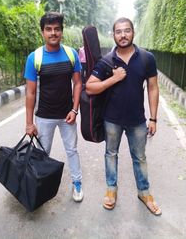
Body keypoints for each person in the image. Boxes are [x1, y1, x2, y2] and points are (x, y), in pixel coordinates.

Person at [86, 17, 161, 215]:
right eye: (118, 31)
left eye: (127, 30)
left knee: (140, 157)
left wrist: (153, 118)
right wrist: (113, 78)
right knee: (111, 154)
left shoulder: (146, 58)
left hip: (137, 120)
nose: (123, 35)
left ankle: (144, 193)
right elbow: (90, 87)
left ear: (133, 32)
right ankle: (111, 190)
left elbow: (153, 87)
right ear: (114, 35)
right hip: (112, 120)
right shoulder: (106, 61)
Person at [24, 11, 83, 202]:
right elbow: (30, 93)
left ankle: (77, 183)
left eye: (57, 29)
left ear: (61, 31)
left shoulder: (71, 54)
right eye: (48, 29)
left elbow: (78, 83)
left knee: (72, 150)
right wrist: (29, 123)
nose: (53, 33)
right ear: (42, 32)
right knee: (42, 154)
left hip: (67, 115)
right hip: (44, 117)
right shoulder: (35, 58)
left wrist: (75, 110)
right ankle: (38, 187)